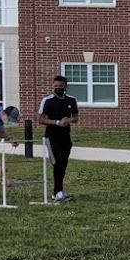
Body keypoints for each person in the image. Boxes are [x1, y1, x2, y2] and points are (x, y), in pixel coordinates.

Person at [37, 75, 79, 203]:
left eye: (60, 86)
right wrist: (56, 122)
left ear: (65, 86)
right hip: (51, 137)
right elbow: (41, 119)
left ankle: (59, 192)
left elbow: (76, 117)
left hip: (66, 137)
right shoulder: (47, 100)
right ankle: (57, 192)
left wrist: (69, 120)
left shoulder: (72, 100)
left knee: (63, 164)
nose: (58, 88)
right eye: (55, 86)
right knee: (57, 162)